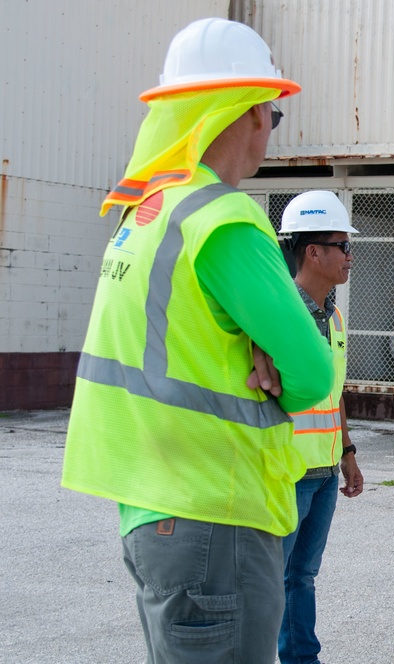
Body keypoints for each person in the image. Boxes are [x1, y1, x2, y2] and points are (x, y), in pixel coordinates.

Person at [60, 18, 334, 664]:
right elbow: (313, 372)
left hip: (153, 512)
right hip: (218, 513)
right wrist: (273, 364)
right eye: (272, 113)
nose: (271, 128)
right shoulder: (225, 220)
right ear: (247, 115)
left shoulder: (147, 216)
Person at [277, 191, 365, 664]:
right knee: (271, 578)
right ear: (313, 251)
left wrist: (347, 453)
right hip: (286, 472)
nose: (351, 256)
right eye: (343, 245)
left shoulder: (332, 314)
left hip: (325, 471)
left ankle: (301, 659)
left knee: (302, 577)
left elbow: (334, 394)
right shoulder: (279, 312)